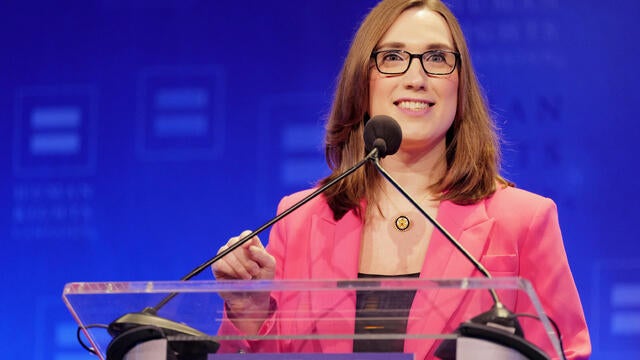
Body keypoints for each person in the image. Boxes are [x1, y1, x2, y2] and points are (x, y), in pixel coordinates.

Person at [211, 0, 591, 358]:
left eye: (437, 58)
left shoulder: (523, 219)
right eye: (393, 57)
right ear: (364, 82)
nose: (416, 77)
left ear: (460, 85)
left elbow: (565, 353)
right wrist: (248, 310)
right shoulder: (298, 220)